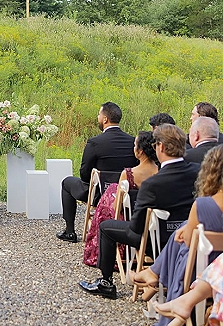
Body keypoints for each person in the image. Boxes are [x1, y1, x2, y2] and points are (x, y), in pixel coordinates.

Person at [79, 124, 200, 300]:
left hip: (156, 240)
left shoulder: (153, 184)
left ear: (161, 147)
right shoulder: (198, 172)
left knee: (106, 227)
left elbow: (136, 227)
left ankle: (106, 283)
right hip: (190, 237)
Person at [135, 145, 223, 326]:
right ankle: (153, 274)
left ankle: (154, 275)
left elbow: (191, 244)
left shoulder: (202, 205)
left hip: (199, 273)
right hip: (213, 269)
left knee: (183, 244)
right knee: (184, 232)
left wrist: (187, 230)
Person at [57, 102, 137, 243]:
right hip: (127, 194)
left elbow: (84, 174)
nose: (97, 117)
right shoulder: (132, 142)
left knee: (67, 183)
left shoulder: (95, 142)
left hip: (99, 194)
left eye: (99, 115)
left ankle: (70, 231)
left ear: (105, 119)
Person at [83, 131, 159, 267]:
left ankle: (103, 255)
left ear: (140, 151)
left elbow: (117, 208)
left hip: (131, 221)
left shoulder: (128, 174)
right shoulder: (160, 172)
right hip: (154, 226)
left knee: (110, 195)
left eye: (135, 145)